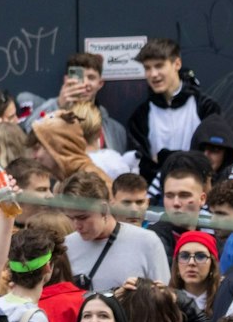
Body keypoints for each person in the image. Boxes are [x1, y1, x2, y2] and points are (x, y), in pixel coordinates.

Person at [125, 40, 219, 185]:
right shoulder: (140, 115)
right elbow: (142, 165)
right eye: (147, 68)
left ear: (177, 64)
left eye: (159, 66)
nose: (153, 74)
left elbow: (212, 158)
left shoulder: (205, 107)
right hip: (158, 197)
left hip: (199, 192)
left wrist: (163, 157)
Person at [62, 174, 169, 293]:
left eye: (83, 217)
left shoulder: (147, 241)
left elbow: (164, 300)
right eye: (70, 218)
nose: (76, 225)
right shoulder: (66, 246)